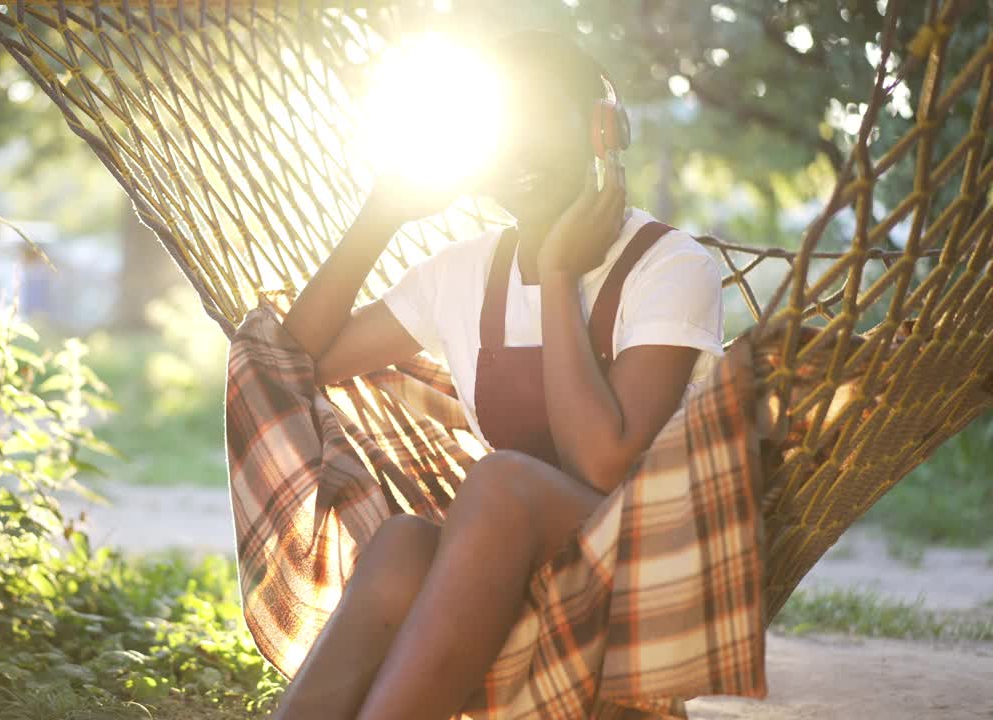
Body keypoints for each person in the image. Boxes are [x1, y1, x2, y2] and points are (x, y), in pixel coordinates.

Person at [273, 28, 724, 720]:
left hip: (649, 579)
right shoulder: (464, 271)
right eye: (502, 130)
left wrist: (557, 272)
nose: (523, 149)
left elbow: (605, 465)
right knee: (402, 546)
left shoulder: (669, 266)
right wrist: (385, 211)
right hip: (513, 573)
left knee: (502, 481)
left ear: (601, 133)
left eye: (544, 117)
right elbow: (303, 359)